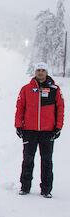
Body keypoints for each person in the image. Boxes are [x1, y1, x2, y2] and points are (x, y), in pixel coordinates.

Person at [15, 62, 64, 198]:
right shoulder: (26, 89)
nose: (40, 73)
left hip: (48, 131)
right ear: (35, 72)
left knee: (47, 160)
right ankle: (25, 186)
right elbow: (20, 109)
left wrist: (58, 127)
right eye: (38, 70)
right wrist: (18, 126)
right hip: (29, 131)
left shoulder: (55, 89)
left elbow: (60, 109)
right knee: (28, 159)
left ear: (46, 72)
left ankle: (46, 189)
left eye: (43, 70)